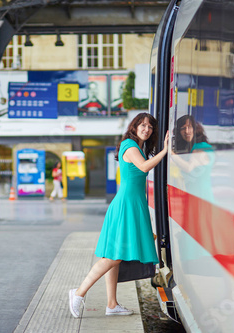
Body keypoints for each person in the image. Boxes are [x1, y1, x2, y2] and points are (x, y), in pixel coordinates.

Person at [69, 113, 169, 318]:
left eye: (150, 126)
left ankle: (112, 304)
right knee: (114, 257)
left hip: (131, 204)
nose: (146, 129)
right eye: (142, 125)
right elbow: (143, 167)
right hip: (126, 206)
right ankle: (78, 293)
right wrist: (166, 150)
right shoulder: (130, 145)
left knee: (115, 255)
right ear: (134, 127)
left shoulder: (137, 147)